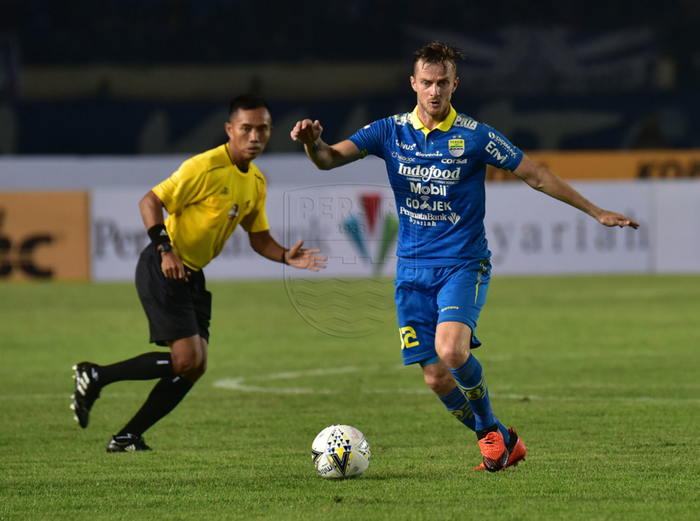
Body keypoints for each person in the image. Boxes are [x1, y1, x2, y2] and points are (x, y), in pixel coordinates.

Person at [291, 42, 639, 472]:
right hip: (411, 272)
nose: (434, 92)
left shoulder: (476, 137)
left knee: (451, 351)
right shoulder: (388, 132)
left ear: (455, 84)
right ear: (413, 84)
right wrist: (313, 143)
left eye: (443, 83)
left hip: (462, 263)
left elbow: (537, 176)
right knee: (436, 376)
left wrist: (596, 211)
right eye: (427, 83)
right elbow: (327, 160)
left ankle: (492, 437)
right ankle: (500, 438)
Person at [72, 94, 326, 452]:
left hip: (192, 276)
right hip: (163, 266)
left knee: (194, 367)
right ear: (229, 130)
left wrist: (285, 255)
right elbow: (150, 202)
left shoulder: (255, 181)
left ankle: (127, 435)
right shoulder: (204, 167)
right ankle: (95, 375)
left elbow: (258, 238)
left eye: (263, 129)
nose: (255, 136)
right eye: (246, 128)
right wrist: (165, 250)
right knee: (187, 360)